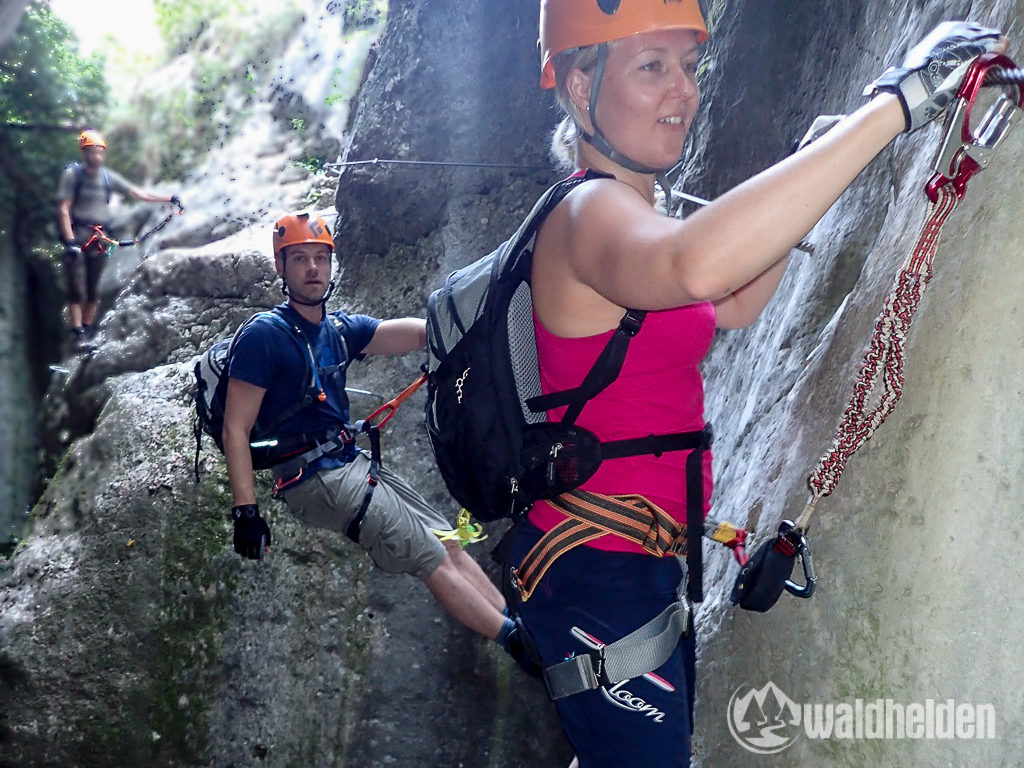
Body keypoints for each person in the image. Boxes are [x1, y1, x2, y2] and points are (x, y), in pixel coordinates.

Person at [503, 3, 1004, 766]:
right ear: (579, 87)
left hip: (626, 561)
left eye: (689, 65)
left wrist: (820, 161)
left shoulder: (635, 214)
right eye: (651, 67)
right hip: (594, 563)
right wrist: (893, 106)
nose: (685, 90)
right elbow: (695, 266)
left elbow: (729, 300)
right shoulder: (587, 213)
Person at [222, 212, 521, 650]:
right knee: (430, 554)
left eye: (321, 258)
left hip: (350, 464)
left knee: (448, 540)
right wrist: (245, 512)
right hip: (313, 478)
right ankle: (517, 644)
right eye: (300, 258)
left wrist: (462, 334)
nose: (312, 269)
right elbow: (236, 426)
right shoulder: (265, 336)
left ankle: (514, 619)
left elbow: (406, 334)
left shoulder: (337, 330)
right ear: (280, 267)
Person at [56, 129, 180, 345]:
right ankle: (77, 334)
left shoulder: (107, 177)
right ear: (84, 153)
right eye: (92, 152)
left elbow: (139, 193)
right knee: (77, 288)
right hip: (78, 237)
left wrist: (168, 197)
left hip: (99, 237)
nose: (96, 157)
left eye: (99, 152)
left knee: (93, 289)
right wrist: (69, 242)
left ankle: (85, 332)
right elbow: (63, 208)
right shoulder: (73, 176)